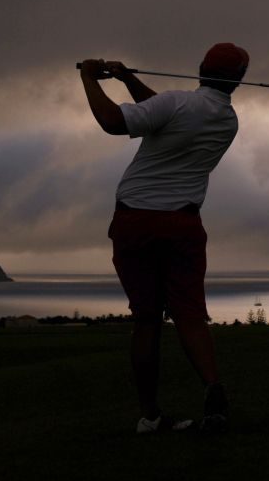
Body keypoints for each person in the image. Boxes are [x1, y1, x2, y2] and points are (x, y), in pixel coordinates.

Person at [79, 43, 248, 434]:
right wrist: (127, 78)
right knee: (190, 315)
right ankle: (213, 388)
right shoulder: (227, 120)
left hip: (136, 222)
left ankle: (151, 416)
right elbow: (162, 114)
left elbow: (112, 121)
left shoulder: (176, 104)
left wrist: (89, 77)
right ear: (237, 81)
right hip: (184, 226)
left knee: (147, 321)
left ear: (201, 66)